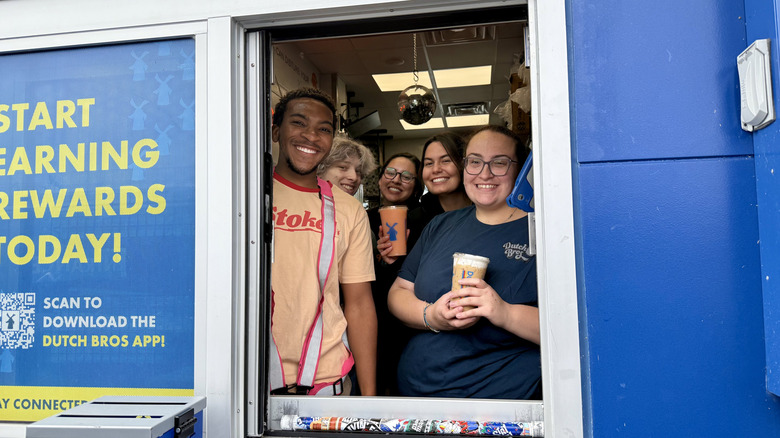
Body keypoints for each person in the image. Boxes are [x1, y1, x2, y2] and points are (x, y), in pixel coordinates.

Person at [387, 125, 540, 399]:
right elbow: (399, 292)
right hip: (416, 397)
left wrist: (504, 312)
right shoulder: (440, 225)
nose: (484, 173)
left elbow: (574, 330)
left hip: (497, 403)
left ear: (519, 170)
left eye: (500, 163)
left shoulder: (542, 231)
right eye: (474, 162)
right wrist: (431, 315)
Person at [270, 87, 377, 396]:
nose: (311, 136)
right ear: (276, 130)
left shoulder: (350, 210)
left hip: (327, 384)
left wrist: (369, 398)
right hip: (245, 384)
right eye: (299, 123)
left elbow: (359, 304)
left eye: (323, 129)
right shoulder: (244, 193)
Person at [372, 132, 471, 395]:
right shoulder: (413, 218)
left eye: (445, 160)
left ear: (463, 163)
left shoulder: (488, 212)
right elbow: (395, 287)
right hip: (416, 341)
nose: (436, 169)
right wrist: (387, 262)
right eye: (429, 163)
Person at [366, 153, 423, 235]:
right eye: (390, 173)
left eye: (406, 177)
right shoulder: (365, 218)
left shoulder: (427, 220)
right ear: (380, 180)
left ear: (416, 187)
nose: (396, 180)